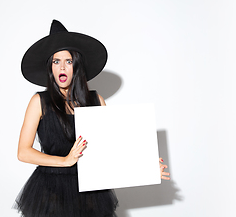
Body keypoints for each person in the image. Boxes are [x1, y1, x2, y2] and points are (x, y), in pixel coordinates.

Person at [14, 20, 170, 217]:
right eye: (56, 61)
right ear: (50, 67)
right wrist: (65, 161)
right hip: (50, 192)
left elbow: (111, 149)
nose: (62, 67)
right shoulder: (39, 102)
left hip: (90, 192)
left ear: (76, 66)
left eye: (68, 61)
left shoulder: (97, 101)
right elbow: (23, 152)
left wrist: (145, 166)